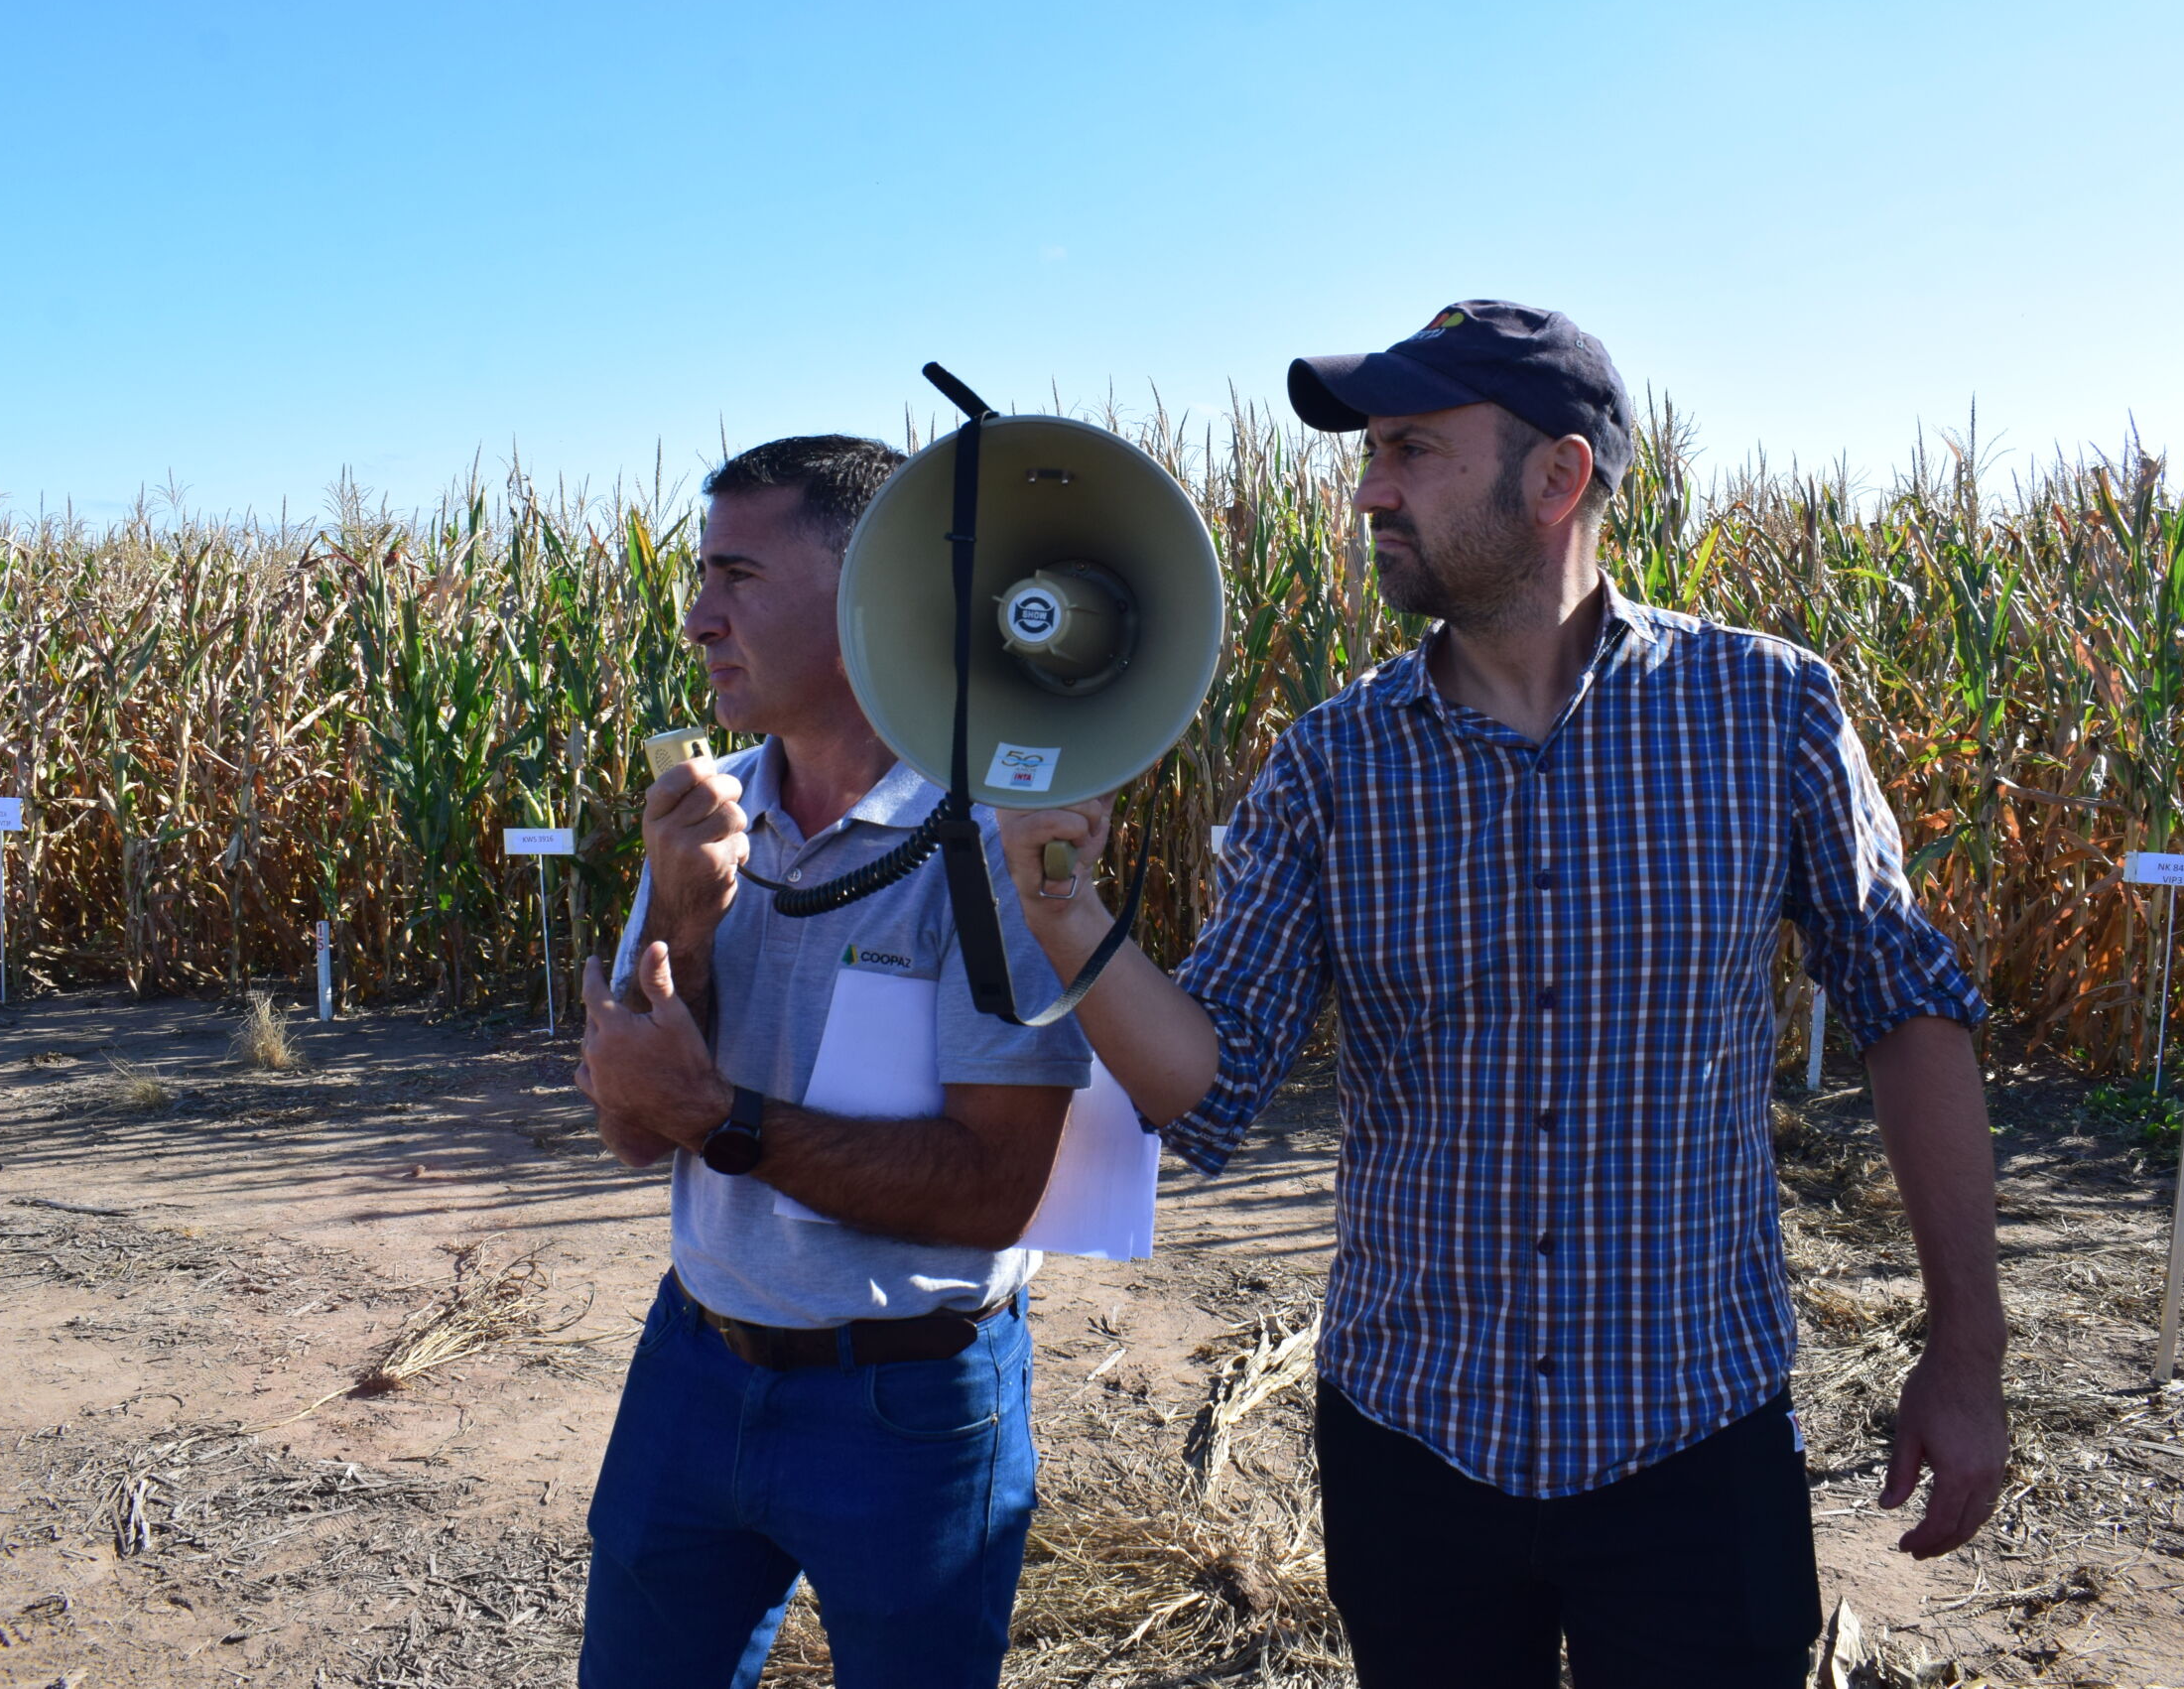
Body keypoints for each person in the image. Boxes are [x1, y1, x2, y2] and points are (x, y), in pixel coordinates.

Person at [995, 303, 2008, 1689]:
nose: (1369, 487)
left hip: (1694, 1439)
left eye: (1412, 448)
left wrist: (1967, 1351)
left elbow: (1909, 1007)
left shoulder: (1766, 710)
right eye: (1370, 453)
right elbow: (1206, 1082)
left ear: (1558, 478)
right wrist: (1067, 909)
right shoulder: (1333, 762)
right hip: (1418, 1451)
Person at [573, 434, 1092, 1689]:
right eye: (702, 578)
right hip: (695, 1361)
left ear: (875, 595)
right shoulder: (702, 812)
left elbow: (990, 1193)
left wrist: (720, 1115)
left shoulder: (999, 846)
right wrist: (686, 924)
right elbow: (635, 1129)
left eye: (737, 577)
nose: (698, 618)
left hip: (909, 1409)